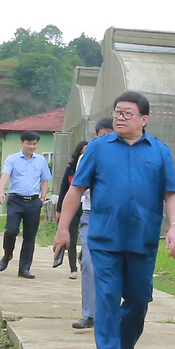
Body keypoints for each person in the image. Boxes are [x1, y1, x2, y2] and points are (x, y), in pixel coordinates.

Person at [53, 93, 175, 349]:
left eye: (127, 113)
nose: (119, 118)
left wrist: (174, 226)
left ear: (144, 120)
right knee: (107, 299)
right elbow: (76, 190)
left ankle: (125, 346)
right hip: (104, 237)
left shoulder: (160, 152)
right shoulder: (97, 148)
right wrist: (64, 228)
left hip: (143, 237)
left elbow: (171, 193)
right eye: (117, 112)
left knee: (139, 298)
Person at [70, 118, 113, 331]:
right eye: (101, 136)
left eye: (109, 136)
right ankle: (89, 314)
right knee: (88, 262)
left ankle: (112, 314)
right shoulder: (87, 156)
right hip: (91, 215)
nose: (104, 141)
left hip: (117, 219)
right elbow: (80, 188)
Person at [0, 130, 49, 277]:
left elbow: (44, 179)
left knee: (30, 236)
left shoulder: (41, 161)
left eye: (34, 144)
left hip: (33, 201)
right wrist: (1, 191)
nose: (32, 147)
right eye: (29, 144)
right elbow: (5, 175)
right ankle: (7, 255)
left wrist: (43, 197)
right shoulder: (12, 159)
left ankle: (24, 268)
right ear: (22, 143)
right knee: (11, 231)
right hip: (15, 200)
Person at [55, 136, 89, 274]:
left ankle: (82, 258)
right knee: (72, 237)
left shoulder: (94, 167)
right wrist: (59, 211)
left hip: (86, 206)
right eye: (84, 151)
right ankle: (73, 268)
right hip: (73, 207)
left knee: (87, 238)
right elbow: (64, 190)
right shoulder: (71, 170)